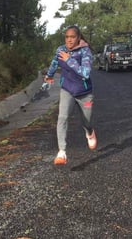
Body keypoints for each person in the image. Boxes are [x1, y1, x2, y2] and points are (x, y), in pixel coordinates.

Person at [44, 25, 97, 165]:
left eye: (72, 37)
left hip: (84, 93)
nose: (69, 40)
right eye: (67, 37)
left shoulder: (85, 51)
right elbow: (55, 63)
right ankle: (62, 152)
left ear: (78, 38)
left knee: (87, 120)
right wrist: (49, 75)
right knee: (62, 117)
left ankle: (90, 132)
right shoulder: (61, 50)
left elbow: (85, 73)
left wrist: (69, 60)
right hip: (67, 89)